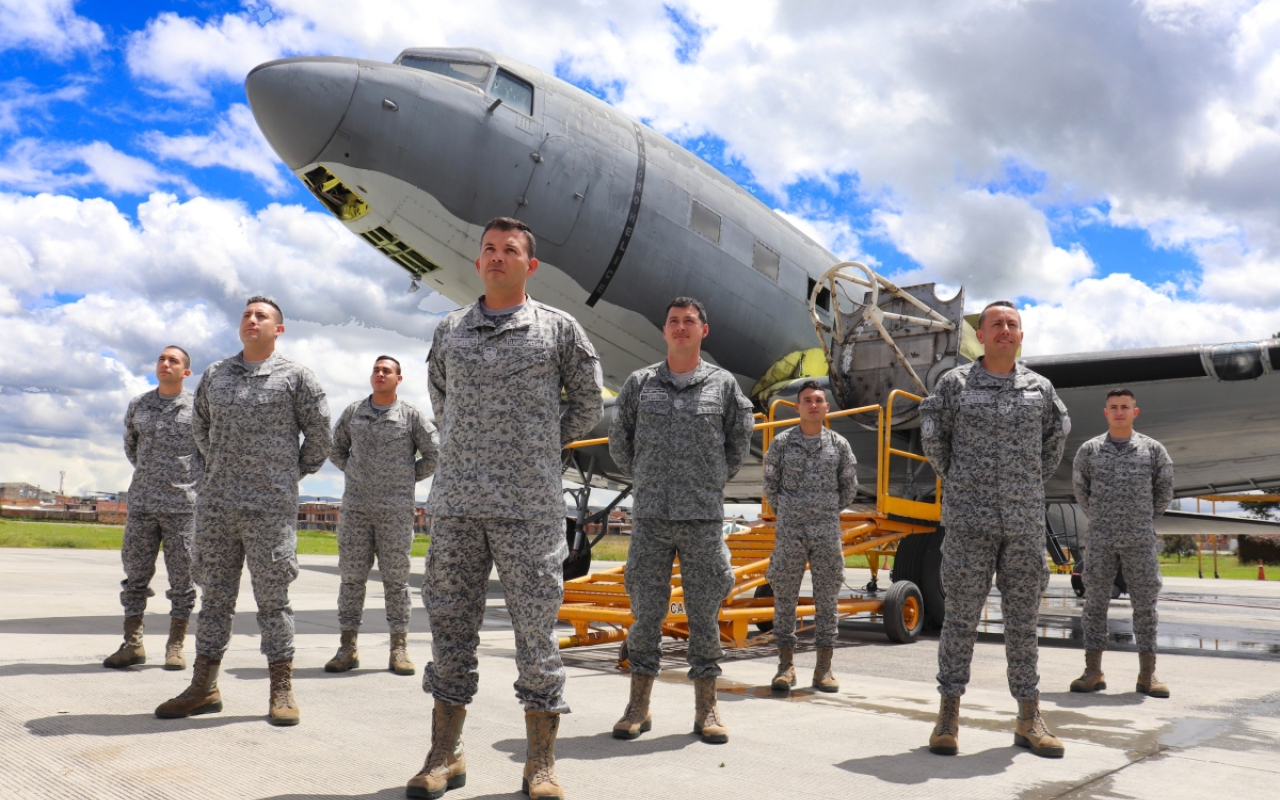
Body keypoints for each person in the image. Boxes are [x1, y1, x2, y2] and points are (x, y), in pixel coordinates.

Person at [408, 218, 602, 800]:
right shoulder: (450, 330)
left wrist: (541, 444)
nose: (497, 257)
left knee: (536, 636)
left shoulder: (558, 329)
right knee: (449, 628)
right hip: (459, 503)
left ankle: (539, 764)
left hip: (529, 507)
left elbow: (588, 403)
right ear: (478, 261)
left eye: (509, 250)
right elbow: (440, 397)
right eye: (489, 249)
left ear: (529, 265)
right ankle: (445, 755)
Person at [155, 296, 332, 727]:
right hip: (216, 506)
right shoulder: (216, 374)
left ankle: (281, 688)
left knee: (274, 602)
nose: (252, 321)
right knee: (214, 599)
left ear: (279, 328)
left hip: (270, 508)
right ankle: (204, 686)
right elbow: (200, 428)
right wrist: (219, 470)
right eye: (247, 315)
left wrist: (286, 476)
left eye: (262, 316)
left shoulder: (297, 378)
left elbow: (321, 436)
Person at [919, 300, 1070, 758]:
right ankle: (948, 716)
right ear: (979, 335)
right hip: (969, 521)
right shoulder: (954, 384)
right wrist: (963, 479)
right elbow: (934, 437)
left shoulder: (1040, 389)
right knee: (960, 619)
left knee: (1023, 622)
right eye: (996, 324)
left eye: (1013, 324)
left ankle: (1029, 717)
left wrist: (1025, 483)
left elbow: (1055, 440)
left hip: (1023, 523)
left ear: (1021, 335)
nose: (1005, 330)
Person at [608, 297, 755, 745]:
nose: (681, 327)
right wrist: (648, 478)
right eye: (673, 321)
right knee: (646, 615)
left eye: (689, 321)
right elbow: (620, 440)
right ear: (665, 330)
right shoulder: (640, 383)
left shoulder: (723, 385)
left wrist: (708, 480)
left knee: (705, 615)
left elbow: (738, 442)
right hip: (651, 516)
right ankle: (638, 706)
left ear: (703, 331)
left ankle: (706, 707)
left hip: (702, 518)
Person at [326, 355, 438, 676]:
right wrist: (357, 472)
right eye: (376, 370)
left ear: (398, 379)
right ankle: (347, 648)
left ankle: (398, 648)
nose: (379, 374)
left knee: (396, 581)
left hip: (395, 511)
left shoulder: (411, 416)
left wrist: (404, 477)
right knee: (351, 579)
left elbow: (434, 453)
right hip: (356, 511)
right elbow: (336, 449)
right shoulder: (353, 412)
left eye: (386, 370)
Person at [1070, 388, 1174, 698]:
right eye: (1113, 407)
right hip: (1101, 537)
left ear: (1134, 412)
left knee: (1145, 606)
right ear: (1106, 412)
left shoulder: (1153, 450)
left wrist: (1140, 517)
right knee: (1094, 604)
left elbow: (1164, 490)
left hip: (1139, 538)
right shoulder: (1089, 451)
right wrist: (1104, 518)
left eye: (1124, 407)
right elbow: (1081, 490)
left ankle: (1147, 674)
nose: (1119, 412)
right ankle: (1092, 671)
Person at [105, 346, 202, 671]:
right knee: (134, 575)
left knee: (183, 580)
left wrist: (188, 483)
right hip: (143, 504)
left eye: (173, 360)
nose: (165, 363)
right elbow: (131, 446)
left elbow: (210, 453)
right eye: (161, 359)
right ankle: (133, 644)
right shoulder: (139, 404)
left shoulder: (199, 408)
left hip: (183, 508)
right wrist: (152, 475)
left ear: (185, 372)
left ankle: (175, 646)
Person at [762, 381, 858, 694]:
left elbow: (849, 488)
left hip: (826, 532)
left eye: (819, 400)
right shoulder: (780, 444)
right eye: (807, 400)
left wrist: (825, 510)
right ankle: (785, 667)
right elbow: (771, 486)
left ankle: (824, 668)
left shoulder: (839, 445)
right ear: (797, 407)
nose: (813, 405)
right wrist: (791, 511)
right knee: (785, 598)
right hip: (790, 531)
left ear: (827, 407)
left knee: (827, 599)